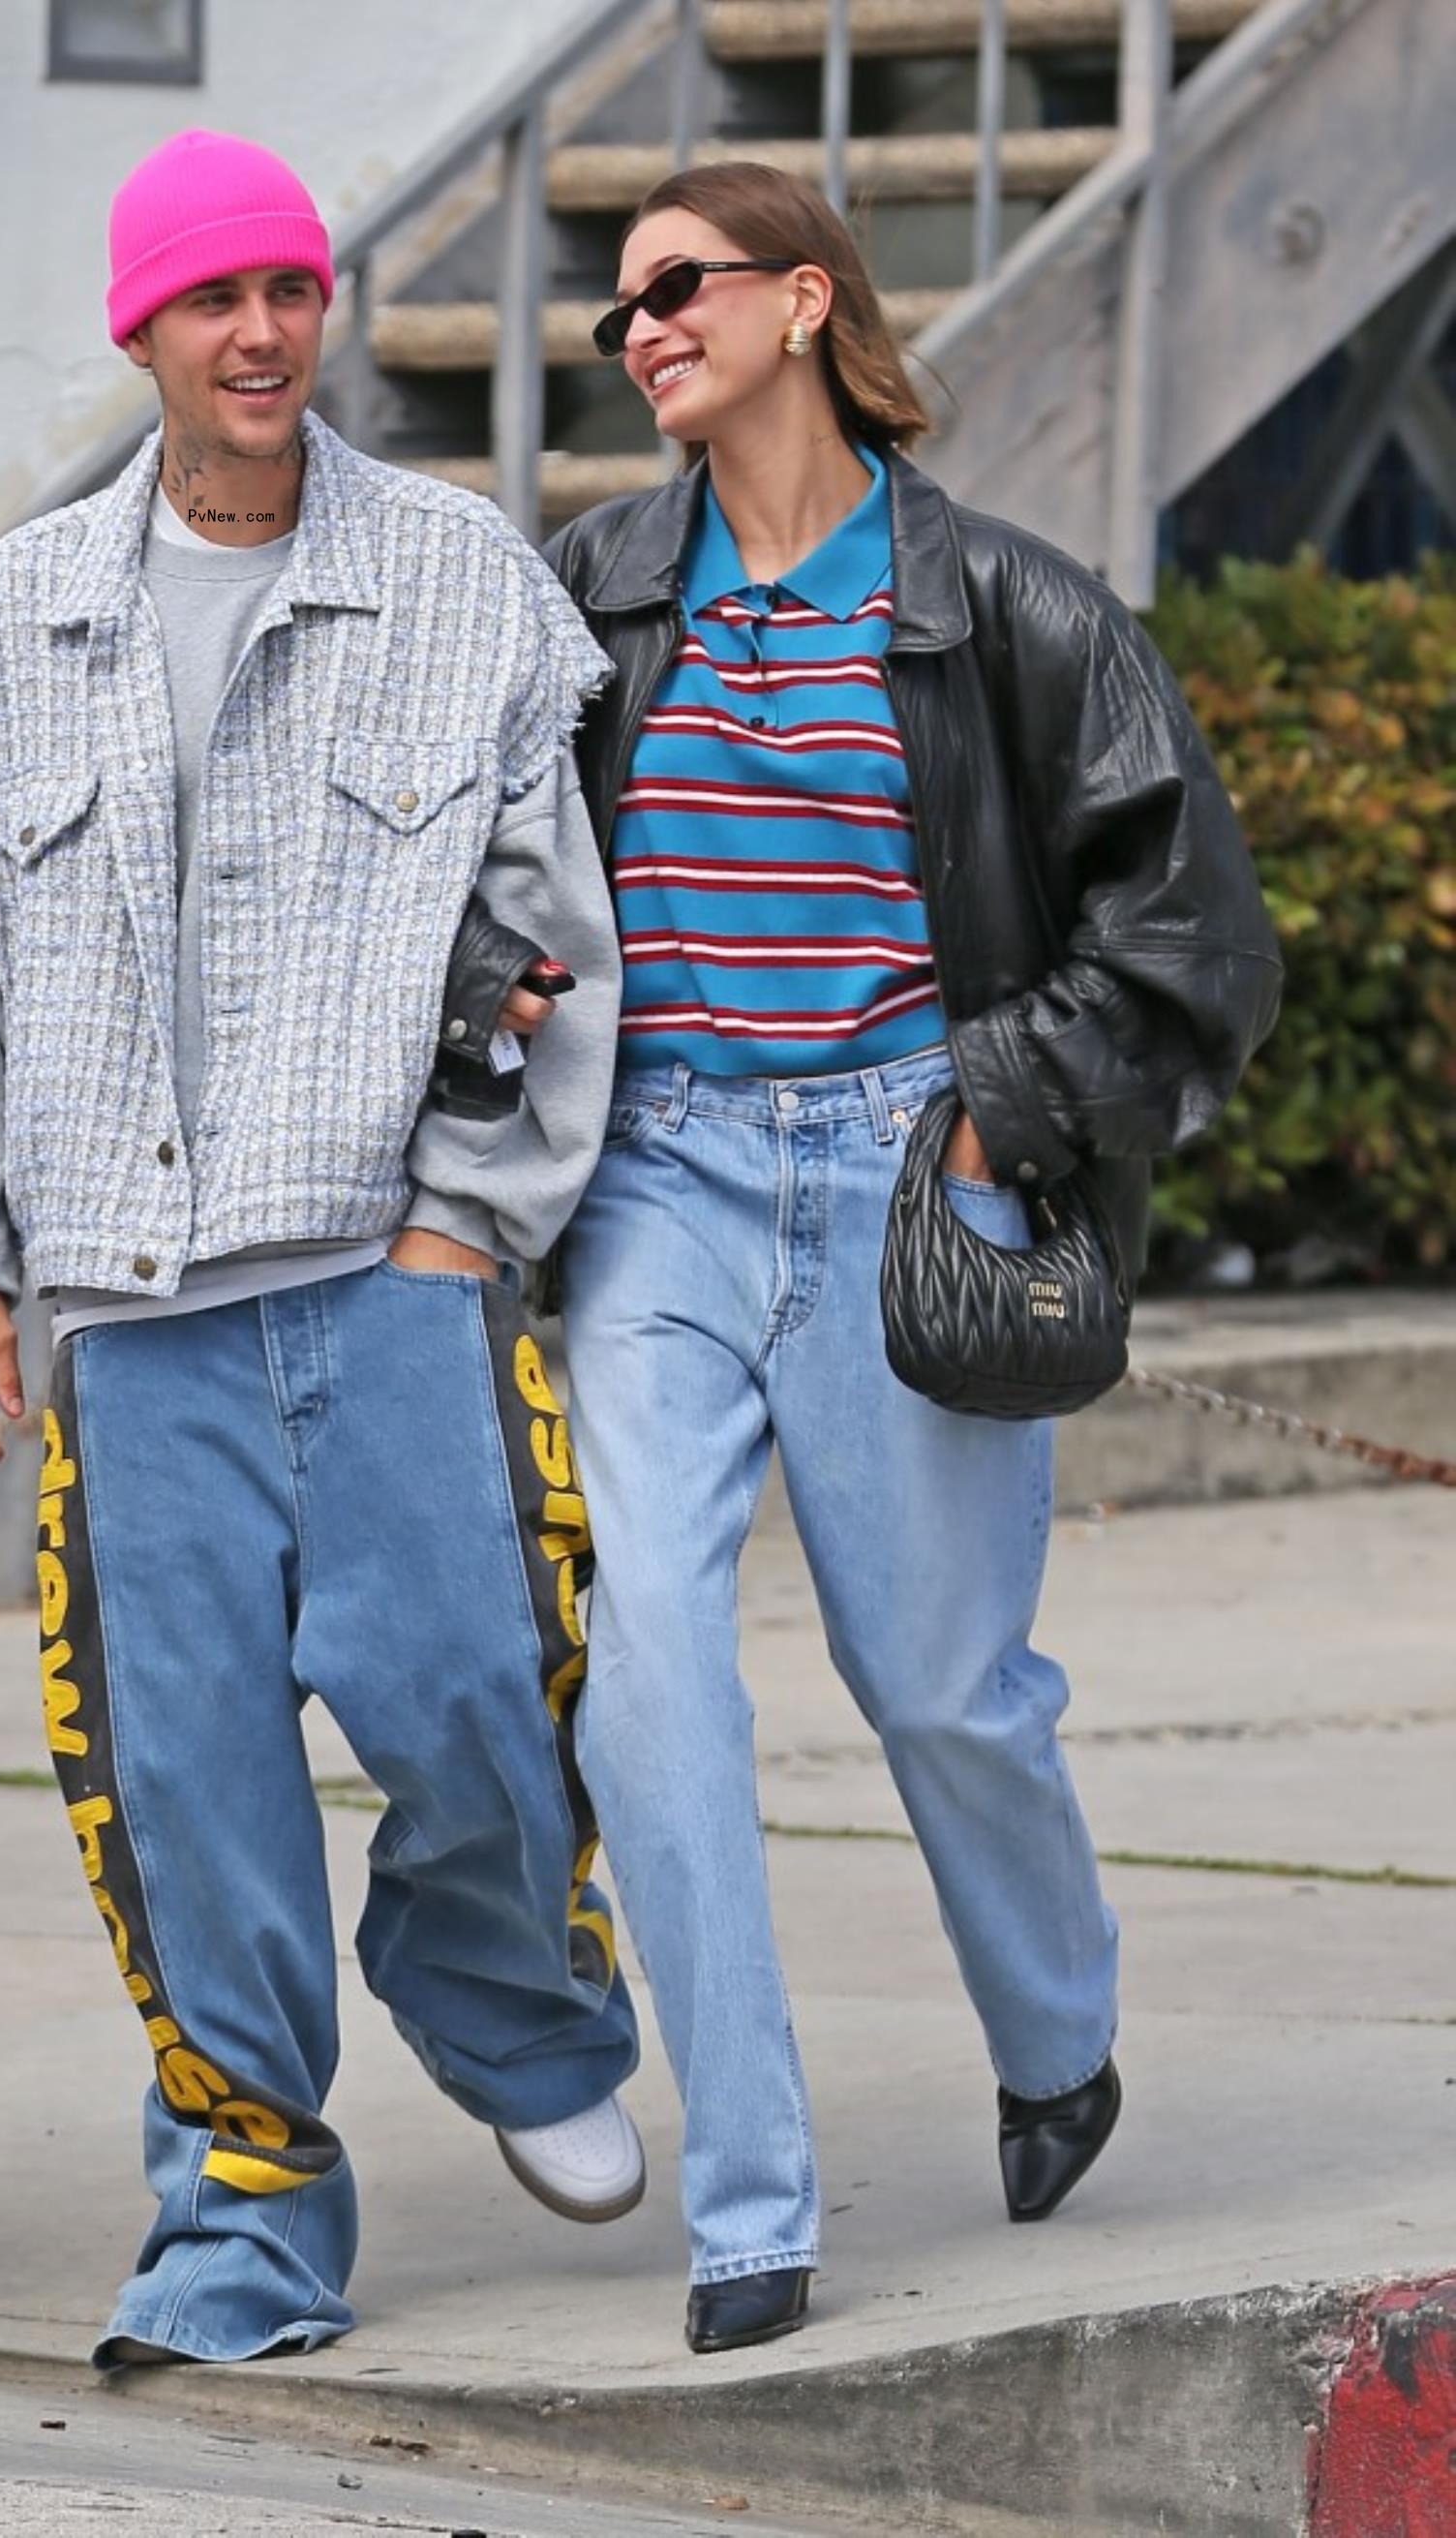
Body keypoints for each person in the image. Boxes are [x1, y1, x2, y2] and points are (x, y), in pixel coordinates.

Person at [0, 129, 644, 2368]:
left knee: (484, 1700)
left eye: (291, 290)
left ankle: (505, 1990)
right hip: (135, 1317)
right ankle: (246, 2223)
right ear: (147, 335)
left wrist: (465, 1224)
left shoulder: (461, 580)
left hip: (385, 1275)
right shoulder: (19, 621)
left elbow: (547, 929)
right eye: (218, 302)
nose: (264, 333)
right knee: (182, 1789)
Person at [544, 163, 1282, 2357]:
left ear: (801, 301)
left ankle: (1057, 2028)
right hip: (655, 1187)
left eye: (674, 290)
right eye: (617, 315)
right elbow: (491, 884)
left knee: (946, 1692)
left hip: (903, 1182)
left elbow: (1192, 943)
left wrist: (990, 1108)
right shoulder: (589, 602)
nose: (640, 332)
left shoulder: (1012, 612)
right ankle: (749, 2202)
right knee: (655, 1673)